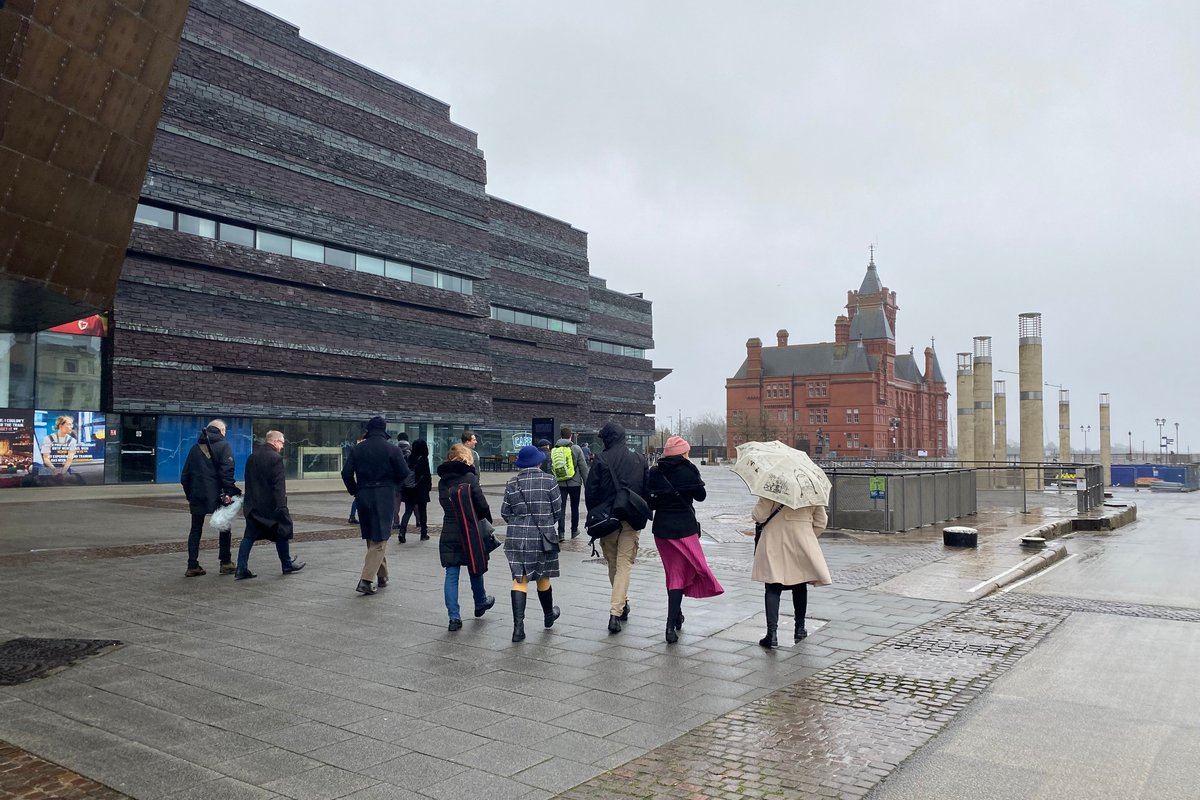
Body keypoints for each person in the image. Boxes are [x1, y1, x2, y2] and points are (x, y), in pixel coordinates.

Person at [646, 436, 723, 643]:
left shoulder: (655, 471)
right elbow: (701, 496)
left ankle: (676, 616)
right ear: (683, 452)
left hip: (662, 531)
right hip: (685, 530)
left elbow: (650, 503)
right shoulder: (689, 470)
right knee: (680, 575)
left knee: (673, 573)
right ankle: (670, 625)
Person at [584, 421, 649, 634]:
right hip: (631, 518)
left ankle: (617, 610)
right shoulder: (639, 459)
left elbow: (591, 492)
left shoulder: (601, 459)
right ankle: (619, 607)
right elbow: (646, 491)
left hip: (608, 519)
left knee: (613, 563)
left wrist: (597, 511)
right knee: (623, 564)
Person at [341, 416, 411, 595]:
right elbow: (404, 473)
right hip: (384, 494)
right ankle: (365, 580)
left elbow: (346, 473)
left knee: (372, 536)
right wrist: (393, 485)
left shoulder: (357, 449)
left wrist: (354, 490)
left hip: (363, 494)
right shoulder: (392, 449)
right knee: (380, 538)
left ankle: (382, 575)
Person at [500, 445, 563, 642]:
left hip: (517, 537)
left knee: (520, 579)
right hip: (542, 536)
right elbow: (557, 510)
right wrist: (545, 521)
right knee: (543, 576)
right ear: (538, 461)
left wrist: (520, 523)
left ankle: (518, 629)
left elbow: (505, 512)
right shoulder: (549, 480)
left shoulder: (512, 483)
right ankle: (548, 615)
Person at [750, 497, 831, 648]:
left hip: (774, 541)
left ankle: (772, 634)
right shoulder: (809, 489)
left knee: (773, 586)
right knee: (800, 583)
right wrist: (805, 534)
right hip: (801, 542)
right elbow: (821, 522)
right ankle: (800, 629)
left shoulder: (773, 488)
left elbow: (759, 516)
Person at [436, 443, 496, 630]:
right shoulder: (470, 477)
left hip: (449, 528)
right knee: (474, 565)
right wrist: (487, 519)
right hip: (469, 529)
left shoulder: (442, 480)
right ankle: (480, 602)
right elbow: (482, 505)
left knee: (451, 573)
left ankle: (454, 617)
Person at [234, 430, 305, 579]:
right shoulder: (276, 458)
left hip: (253, 504)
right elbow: (279, 486)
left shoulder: (252, 457)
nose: (282, 446)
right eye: (282, 443)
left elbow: (249, 481)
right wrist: (282, 507)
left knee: (249, 536)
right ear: (274, 441)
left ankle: (241, 568)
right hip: (271, 505)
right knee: (282, 532)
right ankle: (286, 564)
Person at [180, 419, 241, 577]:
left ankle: (192, 564)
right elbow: (227, 472)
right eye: (225, 431)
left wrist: (190, 495)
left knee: (195, 530)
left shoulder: (194, 449)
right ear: (220, 430)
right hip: (217, 496)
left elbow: (185, 476)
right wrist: (228, 492)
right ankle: (225, 562)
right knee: (224, 526)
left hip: (197, 495)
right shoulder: (224, 446)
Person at [551, 425, 589, 541]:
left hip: (560, 483)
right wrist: (587, 484)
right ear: (570, 436)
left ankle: (561, 532)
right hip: (575, 483)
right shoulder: (576, 448)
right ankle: (574, 530)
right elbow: (583, 467)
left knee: (561, 507)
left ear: (561, 436)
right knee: (574, 507)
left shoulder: (555, 449)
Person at [398, 439, 432, 542]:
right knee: (422, 511)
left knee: (408, 511)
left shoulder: (408, 457)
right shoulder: (423, 459)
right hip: (420, 488)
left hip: (408, 488)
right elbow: (426, 475)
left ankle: (402, 532)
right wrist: (428, 487)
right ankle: (423, 533)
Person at [39, 415, 81, 482]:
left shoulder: (72, 440)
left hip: (65, 468)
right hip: (49, 468)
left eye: (72, 424)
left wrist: (63, 472)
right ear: (61, 426)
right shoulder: (48, 438)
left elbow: (70, 459)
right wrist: (54, 470)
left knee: (79, 479)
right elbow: (46, 458)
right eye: (69, 424)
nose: (72, 427)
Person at [392, 432, 412, 530]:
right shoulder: (411, 449)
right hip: (408, 479)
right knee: (412, 502)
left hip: (396, 478)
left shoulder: (394, 449)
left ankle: (396, 521)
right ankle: (419, 521)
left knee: (396, 501)